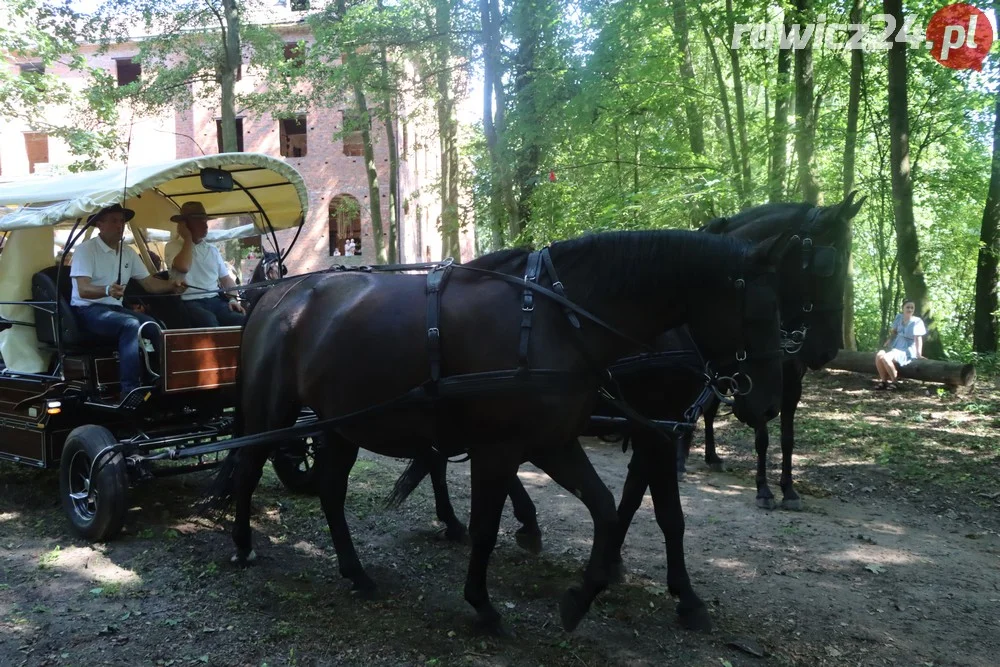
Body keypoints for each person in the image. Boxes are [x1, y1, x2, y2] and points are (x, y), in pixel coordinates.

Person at [70, 204, 184, 399]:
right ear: (100, 224)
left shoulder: (128, 252)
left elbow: (149, 284)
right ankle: (130, 390)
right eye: (114, 220)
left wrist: (172, 285)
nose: (119, 225)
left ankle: (160, 380)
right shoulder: (85, 250)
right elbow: (83, 289)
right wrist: (107, 290)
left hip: (114, 309)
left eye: (122, 221)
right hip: (88, 311)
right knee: (130, 325)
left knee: (154, 326)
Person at [164, 201, 246, 327]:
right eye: (199, 221)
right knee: (209, 321)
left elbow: (226, 279)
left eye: (205, 221)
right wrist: (187, 239)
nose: (206, 225)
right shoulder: (172, 247)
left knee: (241, 320)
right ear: (186, 225)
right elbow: (183, 267)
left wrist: (233, 299)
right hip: (190, 302)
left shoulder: (212, 250)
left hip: (215, 301)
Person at [874, 298, 926, 390]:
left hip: (907, 348)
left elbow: (918, 338)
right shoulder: (899, 317)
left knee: (886, 357)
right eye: (907, 307)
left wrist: (919, 354)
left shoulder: (917, 321)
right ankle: (884, 381)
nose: (910, 310)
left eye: (912, 308)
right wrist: (889, 340)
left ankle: (895, 382)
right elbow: (894, 332)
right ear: (903, 308)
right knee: (879, 355)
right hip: (896, 344)